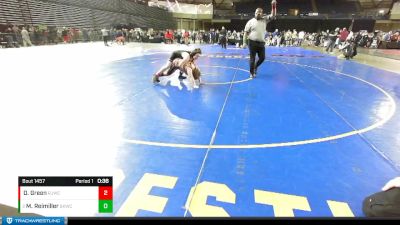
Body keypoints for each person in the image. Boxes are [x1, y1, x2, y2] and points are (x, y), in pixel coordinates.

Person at [243, 0, 277, 78]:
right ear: (255, 13)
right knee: (252, 58)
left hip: (261, 43)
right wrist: (244, 42)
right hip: (252, 42)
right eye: (257, 12)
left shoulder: (265, 19)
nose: (258, 13)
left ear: (262, 13)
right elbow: (245, 33)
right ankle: (251, 73)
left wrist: (273, 6)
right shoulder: (250, 22)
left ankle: (255, 66)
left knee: (262, 58)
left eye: (260, 12)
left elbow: (273, 15)